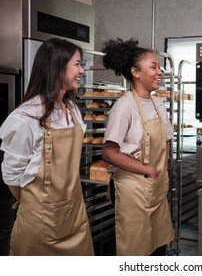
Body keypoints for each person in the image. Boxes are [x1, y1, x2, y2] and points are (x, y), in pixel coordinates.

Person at [0, 38, 94, 255]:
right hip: (40, 224)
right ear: (58, 67)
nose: (82, 70)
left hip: (75, 218)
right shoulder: (26, 117)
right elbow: (11, 177)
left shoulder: (73, 110)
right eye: (77, 64)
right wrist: (39, 206)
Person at [101, 38, 174, 256]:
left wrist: (163, 170)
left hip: (155, 186)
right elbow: (108, 152)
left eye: (159, 67)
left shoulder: (158, 103)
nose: (159, 72)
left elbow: (166, 140)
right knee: (136, 249)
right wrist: (147, 169)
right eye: (154, 67)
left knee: (157, 247)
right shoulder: (124, 107)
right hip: (132, 188)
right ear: (136, 72)